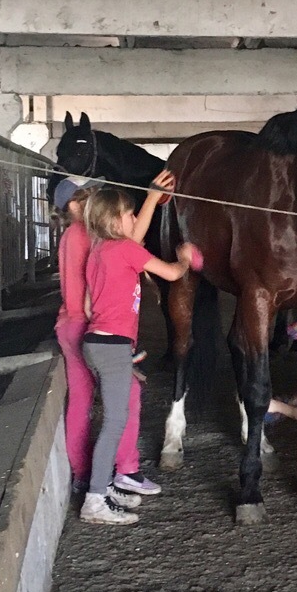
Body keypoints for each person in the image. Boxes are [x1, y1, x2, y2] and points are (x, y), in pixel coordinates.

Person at [78, 184, 195, 525]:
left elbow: (88, 306)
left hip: (96, 342)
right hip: (113, 347)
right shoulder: (126, 251)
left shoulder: (98, 250)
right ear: (116, 220)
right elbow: (172, 273)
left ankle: (110, 483)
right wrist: (185, 256)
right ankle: (94, 500)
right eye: (130, 214)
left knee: (125, 406)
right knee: (114, 423)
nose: (134, 219)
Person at [54, 171, 173, 503]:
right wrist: (150, 197)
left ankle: (83, 475)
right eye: (92, 192)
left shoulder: (71, 235)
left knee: (80, 400)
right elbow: (131, 245)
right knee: (127, 397)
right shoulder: (89, 236)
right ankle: (124, 470)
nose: (97, 196)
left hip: (70, 324)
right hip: (92, 327)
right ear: (77, 204)